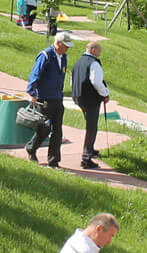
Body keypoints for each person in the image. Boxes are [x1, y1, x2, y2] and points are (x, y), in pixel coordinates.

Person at [26, 31, 72, 168]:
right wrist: (32, 93)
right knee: (45, 129)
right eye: (66, 45)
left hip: (57, 98)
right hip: (44, 99)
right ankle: (31, 149)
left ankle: (54, 161)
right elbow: (35, 74)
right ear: (58, 43)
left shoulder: (63, 57)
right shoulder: (45, 55)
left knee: (58, 131)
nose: (67, 48)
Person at [72, 41, 111, 170]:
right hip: (90, 99)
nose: (100, 53)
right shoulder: (93, 63)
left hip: (79, 97)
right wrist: (105, 94)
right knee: (92, 127)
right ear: (93, 50)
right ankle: (86, 158)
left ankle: (90, 149)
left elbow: (73, 81)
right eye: (99, 50)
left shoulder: (78, 62)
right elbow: (96, 82)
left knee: (90, 124)